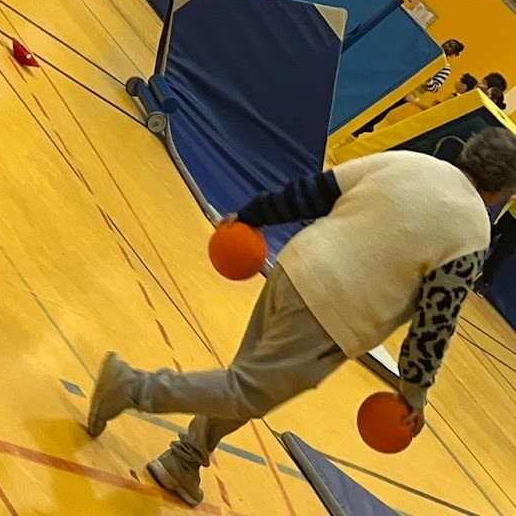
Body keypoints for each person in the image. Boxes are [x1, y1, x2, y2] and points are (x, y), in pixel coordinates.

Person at [84, 129, 516, 508]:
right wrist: (414, 392)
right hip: (332, 315)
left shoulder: (409, 162)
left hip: (293, 268)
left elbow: (314, 191)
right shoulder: (474, 231)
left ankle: (184, 462)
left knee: (246, 381)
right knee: (245, 392)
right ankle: (130, 387)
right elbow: (435, 322)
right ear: (503, 191)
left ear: (468, 151)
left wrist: (252, 215)